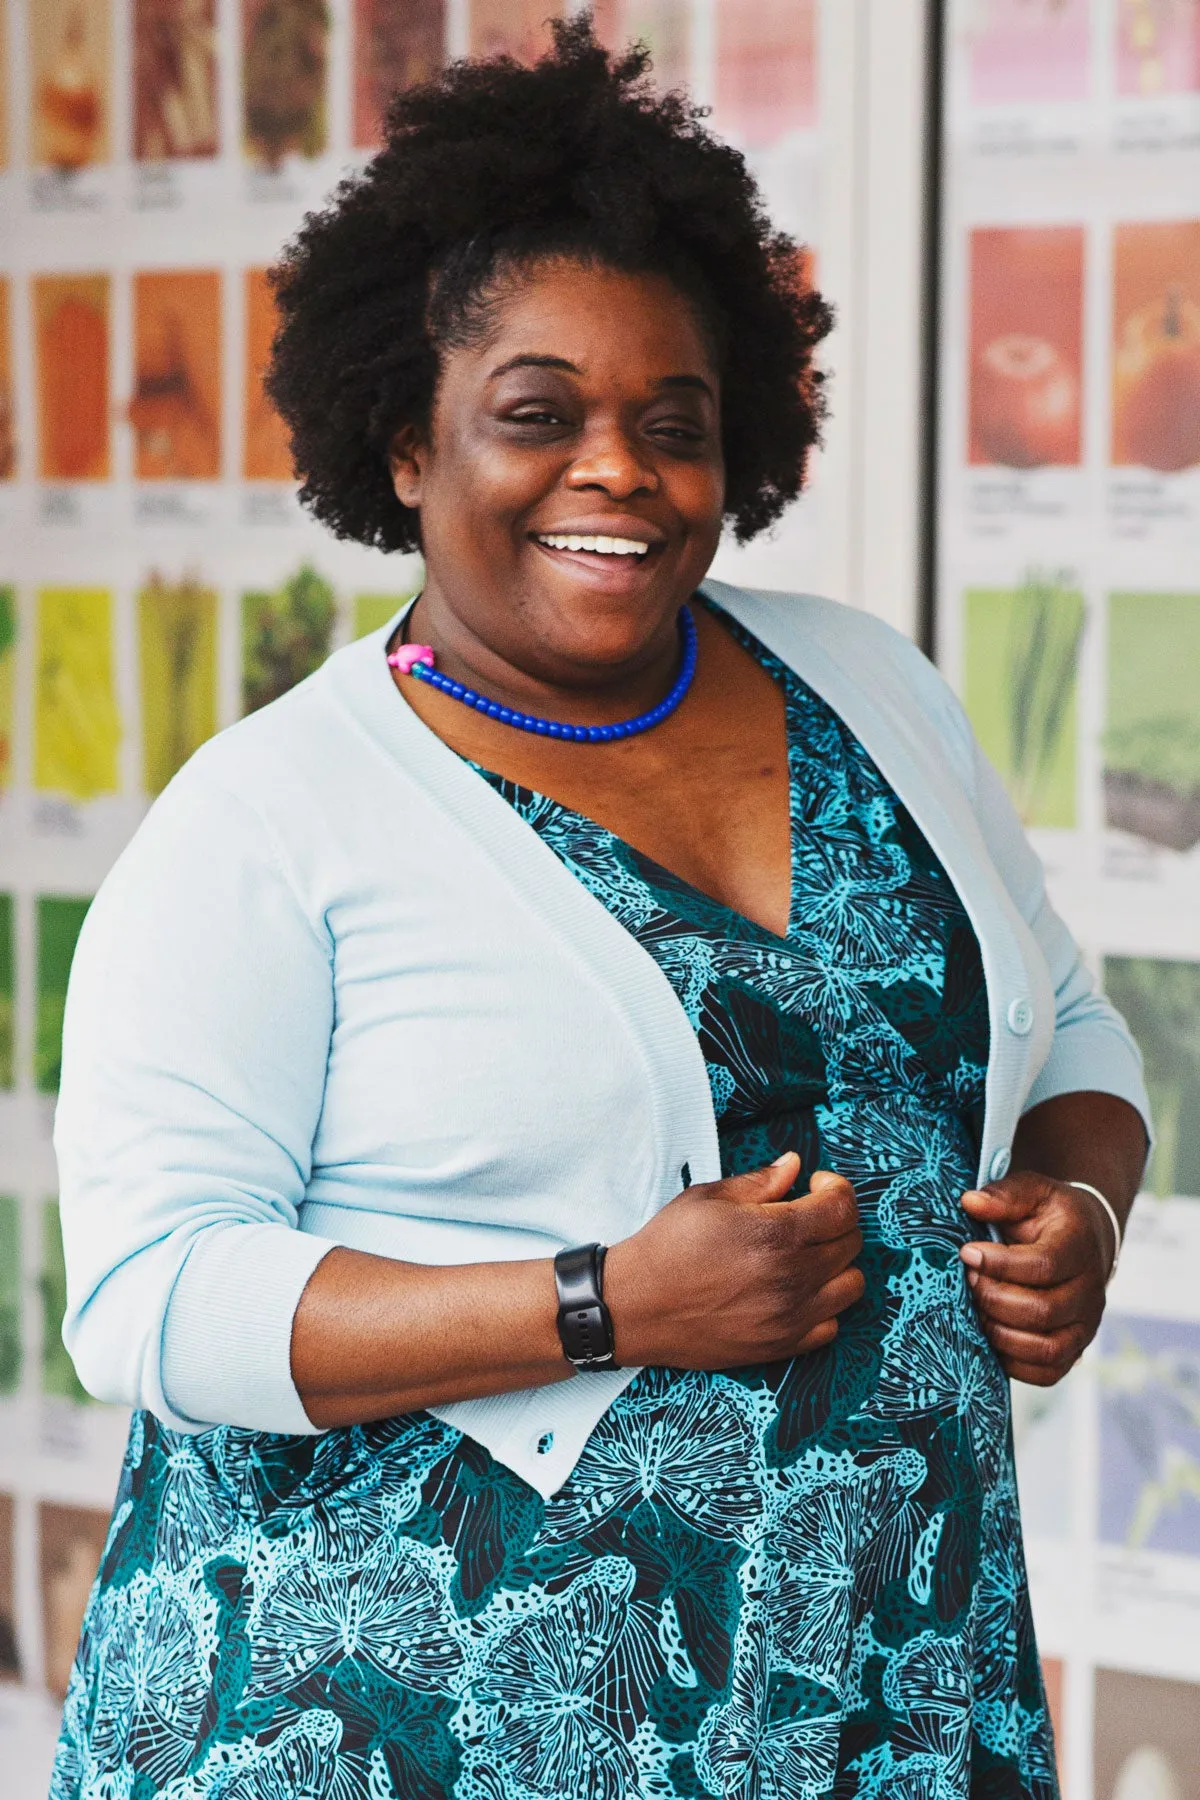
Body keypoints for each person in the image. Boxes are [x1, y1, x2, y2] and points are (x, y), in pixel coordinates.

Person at [53, 22, 1148, 1800]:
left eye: (673, 423)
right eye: (539, 415)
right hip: (406, 1713)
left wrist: (1085, 1202)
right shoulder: (266, 820)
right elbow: (152, 1305)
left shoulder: (870, 686)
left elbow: (1070, 1025)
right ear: (405, 444)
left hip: (863, 1674)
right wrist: (601, 1302)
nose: (617, 470)